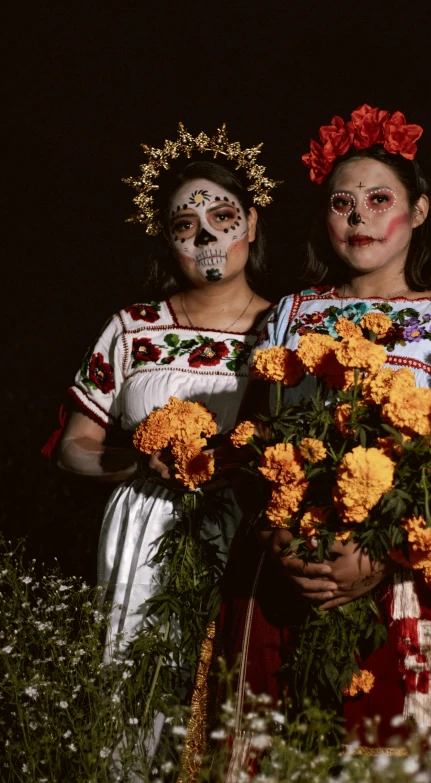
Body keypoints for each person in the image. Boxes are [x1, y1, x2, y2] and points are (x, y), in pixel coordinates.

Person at [221, 105, 431, 755]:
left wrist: (380, 552)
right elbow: (253, 443)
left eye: (380, 199)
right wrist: (284, 541)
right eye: (342, 203)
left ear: (422, 210)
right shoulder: (292, 311)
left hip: (412, 557)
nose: (359, 218)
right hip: (294, 556)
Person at [56, 123, 280, 666]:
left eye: (222, 218)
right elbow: (73, 447)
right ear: (167, 239)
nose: (206, 238)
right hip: (145, 529)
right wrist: (139, 464)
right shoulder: (132, 328)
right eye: (185, 225)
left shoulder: (287, 329)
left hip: (249, 525)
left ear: (250, 221)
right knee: (140, 678)